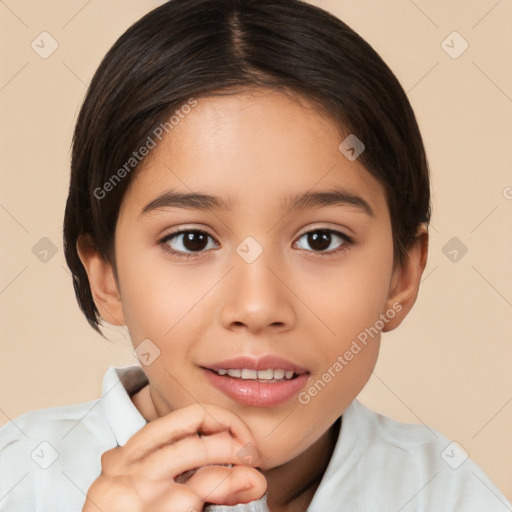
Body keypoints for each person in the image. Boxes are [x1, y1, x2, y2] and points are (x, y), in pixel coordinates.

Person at [0, 0, 510, 510]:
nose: (258, 307)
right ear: (105, 276)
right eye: (192, 240)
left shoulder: (449, 492)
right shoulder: (21, 477)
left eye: (320, 239)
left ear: (402, 276)